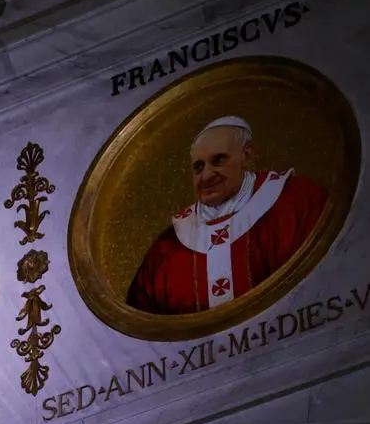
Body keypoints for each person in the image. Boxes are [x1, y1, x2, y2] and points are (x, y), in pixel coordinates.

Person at [126, 116, 328, 315]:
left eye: (218, 160)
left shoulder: (296, 201)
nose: (206, 176)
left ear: (246, 156)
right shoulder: (167, 246)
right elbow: (142, 326)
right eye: (198, 167)